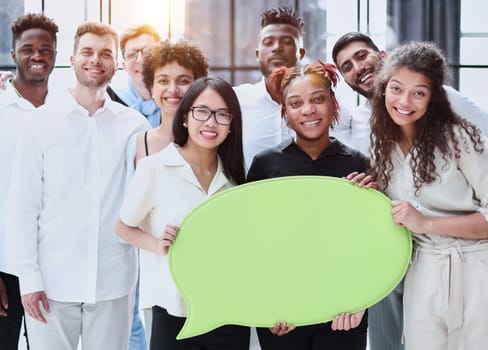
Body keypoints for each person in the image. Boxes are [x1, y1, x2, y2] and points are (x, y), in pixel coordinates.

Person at [332, 32, 488, 350]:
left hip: (475, 271)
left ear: (434, 95)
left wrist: (427, 223)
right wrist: (373, 192)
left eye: (419, 93)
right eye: (397, 90)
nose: (404, 102)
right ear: (385, 88)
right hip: (422, 272)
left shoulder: (460, 134)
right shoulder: (380, 142)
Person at [6, 22, 149, 350]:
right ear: (71, 59)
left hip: (114, 282)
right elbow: (23, 207)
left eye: (105, 54)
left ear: (118, 64)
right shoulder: (39, 124)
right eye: (87, 52)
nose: (95, 60)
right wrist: (28, 280)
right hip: (51, 284)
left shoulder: (134, 126)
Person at [247, 61, 374, 350]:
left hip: (344, 308)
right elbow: (251, 241)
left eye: (318, 99)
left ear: (334, 104)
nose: (308, 110)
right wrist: (265, 304)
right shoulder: (266, 164)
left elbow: (369, 242)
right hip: (284, 309)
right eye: (296, 103)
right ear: (286, 112)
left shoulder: (358, 165)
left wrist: (361, 300)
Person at [115, 77, 249, 349]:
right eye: (202, 112)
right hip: (174, 310)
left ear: (232, 126)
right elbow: (123, 227)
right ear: (185, 118)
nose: (211, 122)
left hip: (230, 309)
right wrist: (156, 244)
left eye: (222, 114)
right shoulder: (155, 168)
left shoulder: (234, 176)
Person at [0, 13, 58, 350]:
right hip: (5, 265)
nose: (37, 55)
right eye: (28, 49)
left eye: (45, 48)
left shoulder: (68, 109)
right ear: (12, 55)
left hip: (53, 266)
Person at [332, 31, 488, 155]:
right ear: (347, 82)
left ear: (384, 56)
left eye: (361, 56)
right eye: (347, 67)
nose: (358, 68)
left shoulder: (440, 97)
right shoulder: (357, 122)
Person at [234, 5, 305, 170]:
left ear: (300, 54)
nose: (277, 48)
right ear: (258, 54)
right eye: (268, 42)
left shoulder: (324, 106)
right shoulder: (235, 100)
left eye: (287, 42)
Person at [108, 24, 161, 128]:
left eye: (148, 52)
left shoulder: (175, 98)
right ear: (124, 65)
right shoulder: (110, 99)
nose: (140, 60)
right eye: (131, 54)